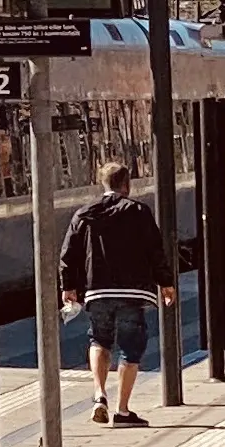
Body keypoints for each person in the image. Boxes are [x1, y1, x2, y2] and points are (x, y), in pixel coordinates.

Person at [59, 157, 170, 428]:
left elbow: (68, 253)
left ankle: (99, 395)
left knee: (99, 340)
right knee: (131, 350)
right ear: (127, 184)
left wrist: (68, 286)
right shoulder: (139, 211)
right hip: (134, 293)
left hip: (97, 291)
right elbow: (155, 250)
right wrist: (165, 282)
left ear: (103, 184)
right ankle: (122, 410)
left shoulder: (85, 213)